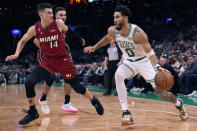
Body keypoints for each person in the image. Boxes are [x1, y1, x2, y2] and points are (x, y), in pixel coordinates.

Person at [84, 4, 188, 126]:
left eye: (117, 17)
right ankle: (125, 112)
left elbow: (150, 52)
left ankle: (178, 104)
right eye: (114, 17)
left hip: (144, 62)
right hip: (129, 61)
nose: (114, 20)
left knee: (161, 93)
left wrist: (158, 67)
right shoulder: (113, 30)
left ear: (126, 18)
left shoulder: (138, 33)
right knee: (118, 75)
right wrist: (94, 47)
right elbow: (107, 38)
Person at [5, 3, 103, 125]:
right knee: (29, 82)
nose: (52, 15)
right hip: (48, 61)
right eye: (49, 13)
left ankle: (94, 100)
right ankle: (32, 112)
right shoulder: (34, 29)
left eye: (52, 13)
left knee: (76, 86)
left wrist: (80, 39)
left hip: (63, 59)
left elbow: (70, 32)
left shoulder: (58, 23)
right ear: (41, 14)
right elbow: (23, 40)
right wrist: (16, 54)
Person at [34, 7, 85, 114]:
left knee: (69, 76)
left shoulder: (63, 27)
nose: (63, 17)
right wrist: (45, 49)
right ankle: (43, 98)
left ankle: (67, 103)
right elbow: (35, 40)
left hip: (60, 56)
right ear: (55, 17)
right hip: (45, 55)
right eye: (60, 15)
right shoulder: (48, 25)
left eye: (64, 15)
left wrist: (80, 39)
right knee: (51, 76)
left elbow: (69, 35)